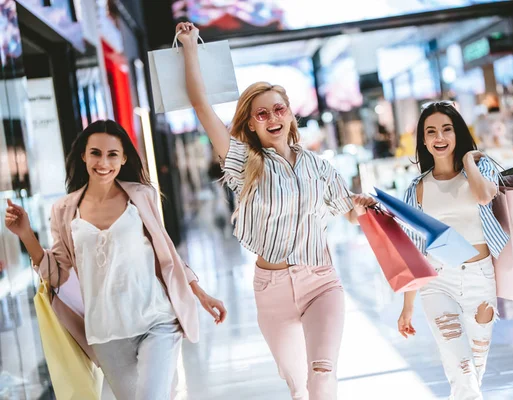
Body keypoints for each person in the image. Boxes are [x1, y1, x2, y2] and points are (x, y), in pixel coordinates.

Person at [177, 21, 375, 400]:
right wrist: (189, 48)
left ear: (290, 114)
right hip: (272, 291)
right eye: (261, 114)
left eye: (277, 109)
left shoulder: (319, 165)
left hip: (322, 282)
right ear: (250, 124)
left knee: (322, 375)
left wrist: (360, 206)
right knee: (298, 387)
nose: (272, 118)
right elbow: (202, 106)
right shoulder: (244, 162)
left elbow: (347, 210)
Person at [4, 119, 227, 400]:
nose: (103, 162)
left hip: (156, 319)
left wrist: (200, 293)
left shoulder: (141, 196)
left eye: (112, 154)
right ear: (83, 155)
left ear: (123, 159)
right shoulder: (64, 210)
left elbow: (167, 251)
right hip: (106, 332)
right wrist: (25, 235)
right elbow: (57, 274)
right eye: (96, 153)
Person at [397, 102, 508, 400]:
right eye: (431, 131)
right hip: (437, 283)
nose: (439, 137)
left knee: (476, 366)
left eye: (447, 129)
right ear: (423, 139)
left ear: (457, 133)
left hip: (479, 278)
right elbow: (414, 249)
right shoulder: (417, 187)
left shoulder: (480, 169)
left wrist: (469, 162)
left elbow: (485, 196)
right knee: (460, 369)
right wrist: (407, 306)